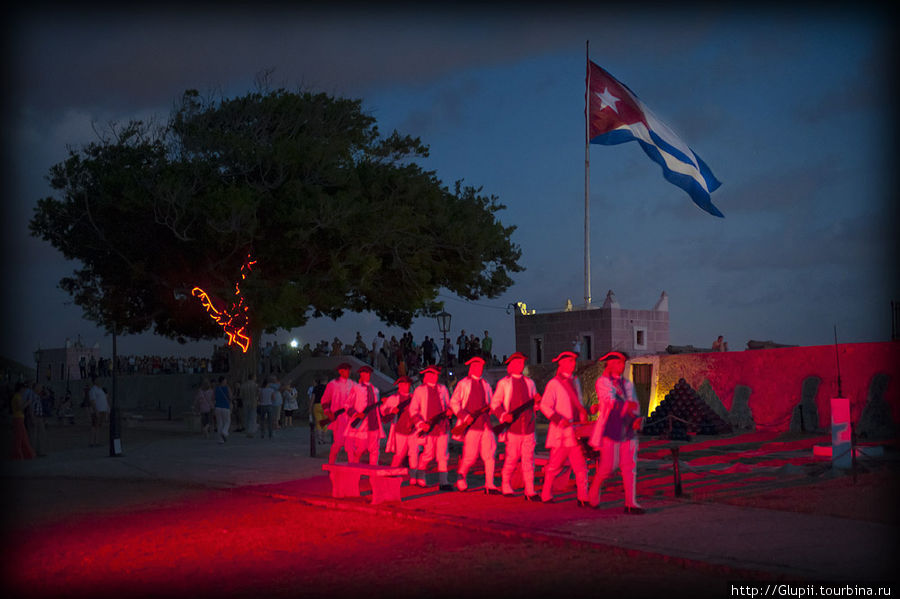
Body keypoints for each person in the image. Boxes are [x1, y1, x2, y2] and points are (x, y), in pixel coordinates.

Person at [588, 351, 645, 514]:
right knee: (608, 467)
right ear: (611, 364)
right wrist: (628, 407)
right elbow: (610, 402)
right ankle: (593, 494)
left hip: (627, 429)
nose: (623, 366)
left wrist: (636, 418)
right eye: (619, 363)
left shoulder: (628, 384)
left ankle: (630, 503)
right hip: (611, 429)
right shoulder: (602, 382)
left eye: (623, 363)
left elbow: (635, 405)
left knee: (629, 466)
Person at [539, 351, 590, 506]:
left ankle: (583, 497)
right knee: (554, 466)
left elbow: (578, 404)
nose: (573, 364)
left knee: (581, 466)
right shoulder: (554, 383)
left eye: (573, 361)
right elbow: (544, 406)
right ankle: (546, 493)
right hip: (561, 433)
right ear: (560, 363)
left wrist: (584, 413)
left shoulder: (576, 381)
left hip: (576, 432)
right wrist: (559, 420)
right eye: (569, 361)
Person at [492, 352, 540, 500]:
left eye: (521, 363)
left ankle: (530, 490)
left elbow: (535, 405)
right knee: (511, 459)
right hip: (512, 429)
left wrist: (537, 402)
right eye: (517, 363)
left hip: (529, 428)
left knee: (528, 460)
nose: (520, 365)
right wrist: (503, 415)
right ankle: (505, 484)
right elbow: (495, 404)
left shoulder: (530, 383)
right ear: (510, 365)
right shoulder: (503, 383)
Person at [451, 356, 500, 494]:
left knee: (490, 455)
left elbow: (491, 403)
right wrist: (464, 416)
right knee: (470, 457)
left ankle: (489, 485)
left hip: (486, 424)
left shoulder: (485, 384)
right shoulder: (463, 384)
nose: (479, 369)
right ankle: (461, 475)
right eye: (476, 366)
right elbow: (454, 402)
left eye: (480, 367)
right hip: (471, 426)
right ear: (471, 368)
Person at [410, 365, 453, 490]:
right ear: (426, 375)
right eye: (431, 374)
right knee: (428, 454)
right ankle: (420, 476)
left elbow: (448, 404)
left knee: (443, 455)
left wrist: (450, 411)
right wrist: (420, 423)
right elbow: (413, 410)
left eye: (435, 374)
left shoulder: (443, 388)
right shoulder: (419, 390)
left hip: (442, 426)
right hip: (428, 427)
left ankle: (443, 482)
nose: (434, 377)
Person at [347, 365, 385, 465]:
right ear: (361, 375)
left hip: (374, 423)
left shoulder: (375, 390)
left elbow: (377, 407)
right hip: (361, 424)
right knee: (360, 448)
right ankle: (355, 467)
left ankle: (373, 473)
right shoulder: (356, 388)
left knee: (374, 450)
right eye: (364, 373)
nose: (366, 375)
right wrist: (356, 414)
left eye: (368, 373)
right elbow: (348, 404)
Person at [381, 375, 419, 475]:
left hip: (413, 429)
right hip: (400, 429)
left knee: (414, 453)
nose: (406, 386)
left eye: (407, 384)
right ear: (399, 385)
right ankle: (392, 472)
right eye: (403, 384)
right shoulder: (394, 398)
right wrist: (391, 410)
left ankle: (413, 477)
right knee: (399, 454)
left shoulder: (414, 398)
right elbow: (383, 410)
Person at [321, 363, 356, 463]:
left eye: (348, 370)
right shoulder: (333, 384)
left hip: (349, 417)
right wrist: (328, 412)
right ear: (340, 371)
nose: (348, 372)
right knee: (338, 443)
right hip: (338, 418)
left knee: (350, 444)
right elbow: (325, 400)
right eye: (345, 370)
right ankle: (331, 462)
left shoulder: (352, 384)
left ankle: (352, 465)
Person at [10, 383, 35, 460]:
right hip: (18, 418)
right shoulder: (17, 397)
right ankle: (18, 455)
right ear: (21, 389)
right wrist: (27, 403)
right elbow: (20, 408)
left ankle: (26, 454)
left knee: (23, 437)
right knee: (19, 437)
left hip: (19, 418)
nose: (24, 390)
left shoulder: (18, 397)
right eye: (24, 389)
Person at [88, 377, 109, 448]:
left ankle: (96, 441)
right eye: (97, 380)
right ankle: (92, 442)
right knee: (94, 426)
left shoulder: (100, 389)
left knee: (98, 426)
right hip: (97, 411)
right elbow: (92, 401)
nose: (99, 381)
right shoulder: (93, 390)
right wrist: (96, 410)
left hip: (102, 410)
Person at [258, 375, 279, 439]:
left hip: (262, 405)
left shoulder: (261, 390)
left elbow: (259, 398)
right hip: (269, 405)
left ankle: (262, 433)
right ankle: (270, 433)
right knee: (270, 420)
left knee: (262, 420)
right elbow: (273, 398)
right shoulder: (271, 390)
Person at [213, 376, 232, 443]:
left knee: (219, 423)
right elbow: (230, 397)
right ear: (223, 381)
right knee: (227, 421)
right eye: (225, 380)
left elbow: (213, 397)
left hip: (217, 407)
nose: (226, 381)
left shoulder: (216, 389)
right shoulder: (227, 388)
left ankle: (220, 439)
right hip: (225, 407)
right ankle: (224, 432)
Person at [240, 373, 259, 437]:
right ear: (253, 377)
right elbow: (257, 394)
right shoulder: (255, 385)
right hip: (253, 402)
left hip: (245, 402)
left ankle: (247, 430)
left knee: (246, 416)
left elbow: (241, 395)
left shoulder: (243, 385)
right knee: (252, 417)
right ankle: (251, 431)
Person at [310, 378, 327, 444]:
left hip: (317, 405)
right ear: (326, 381)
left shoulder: (316, 388)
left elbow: (313, 398)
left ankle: (319, 439)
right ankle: (324, 439)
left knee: (318, 422)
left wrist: (310, 407)